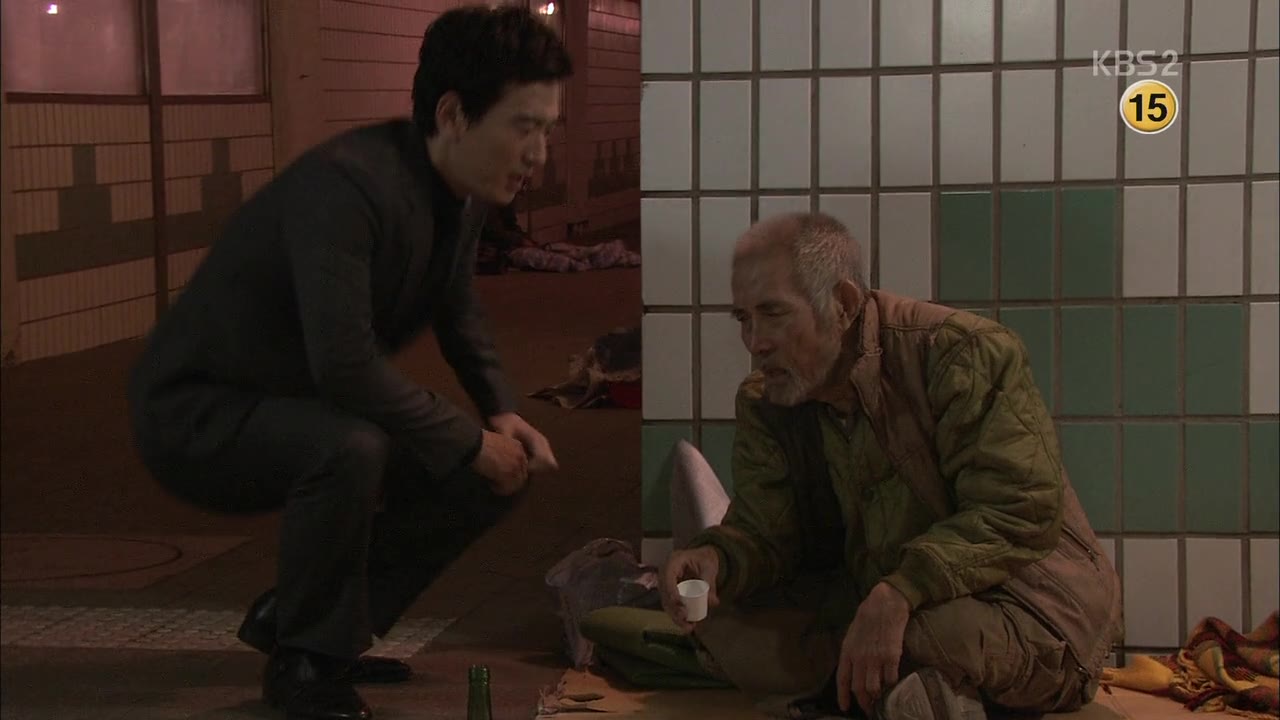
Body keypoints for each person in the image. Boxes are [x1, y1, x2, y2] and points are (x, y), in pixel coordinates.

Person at [126, 6, 571, 720]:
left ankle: (319, 629)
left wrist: (501, 413)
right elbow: (345, 364)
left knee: (492, 473)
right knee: (351, 448)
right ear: (453, 114)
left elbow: (458, 310)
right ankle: (303, 665)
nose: (539, 154)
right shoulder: (349, 185)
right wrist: (468, 440)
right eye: (524, 127)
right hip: (197, 410)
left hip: (301, 398)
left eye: (548, 129)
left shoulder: (462, 193)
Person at [657, 212, 1123, 720]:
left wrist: (902, 590)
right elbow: (767, 532)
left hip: (1020, 602)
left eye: (773, 314)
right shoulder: (769, 401)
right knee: (721, 622)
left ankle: (902, 686)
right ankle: (903, 689)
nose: (755, 341)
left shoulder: (960, 354)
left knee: (926, 636)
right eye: (744, 319)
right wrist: (718, 558)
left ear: (842, 305)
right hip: (871, 596)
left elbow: (1018, 510)